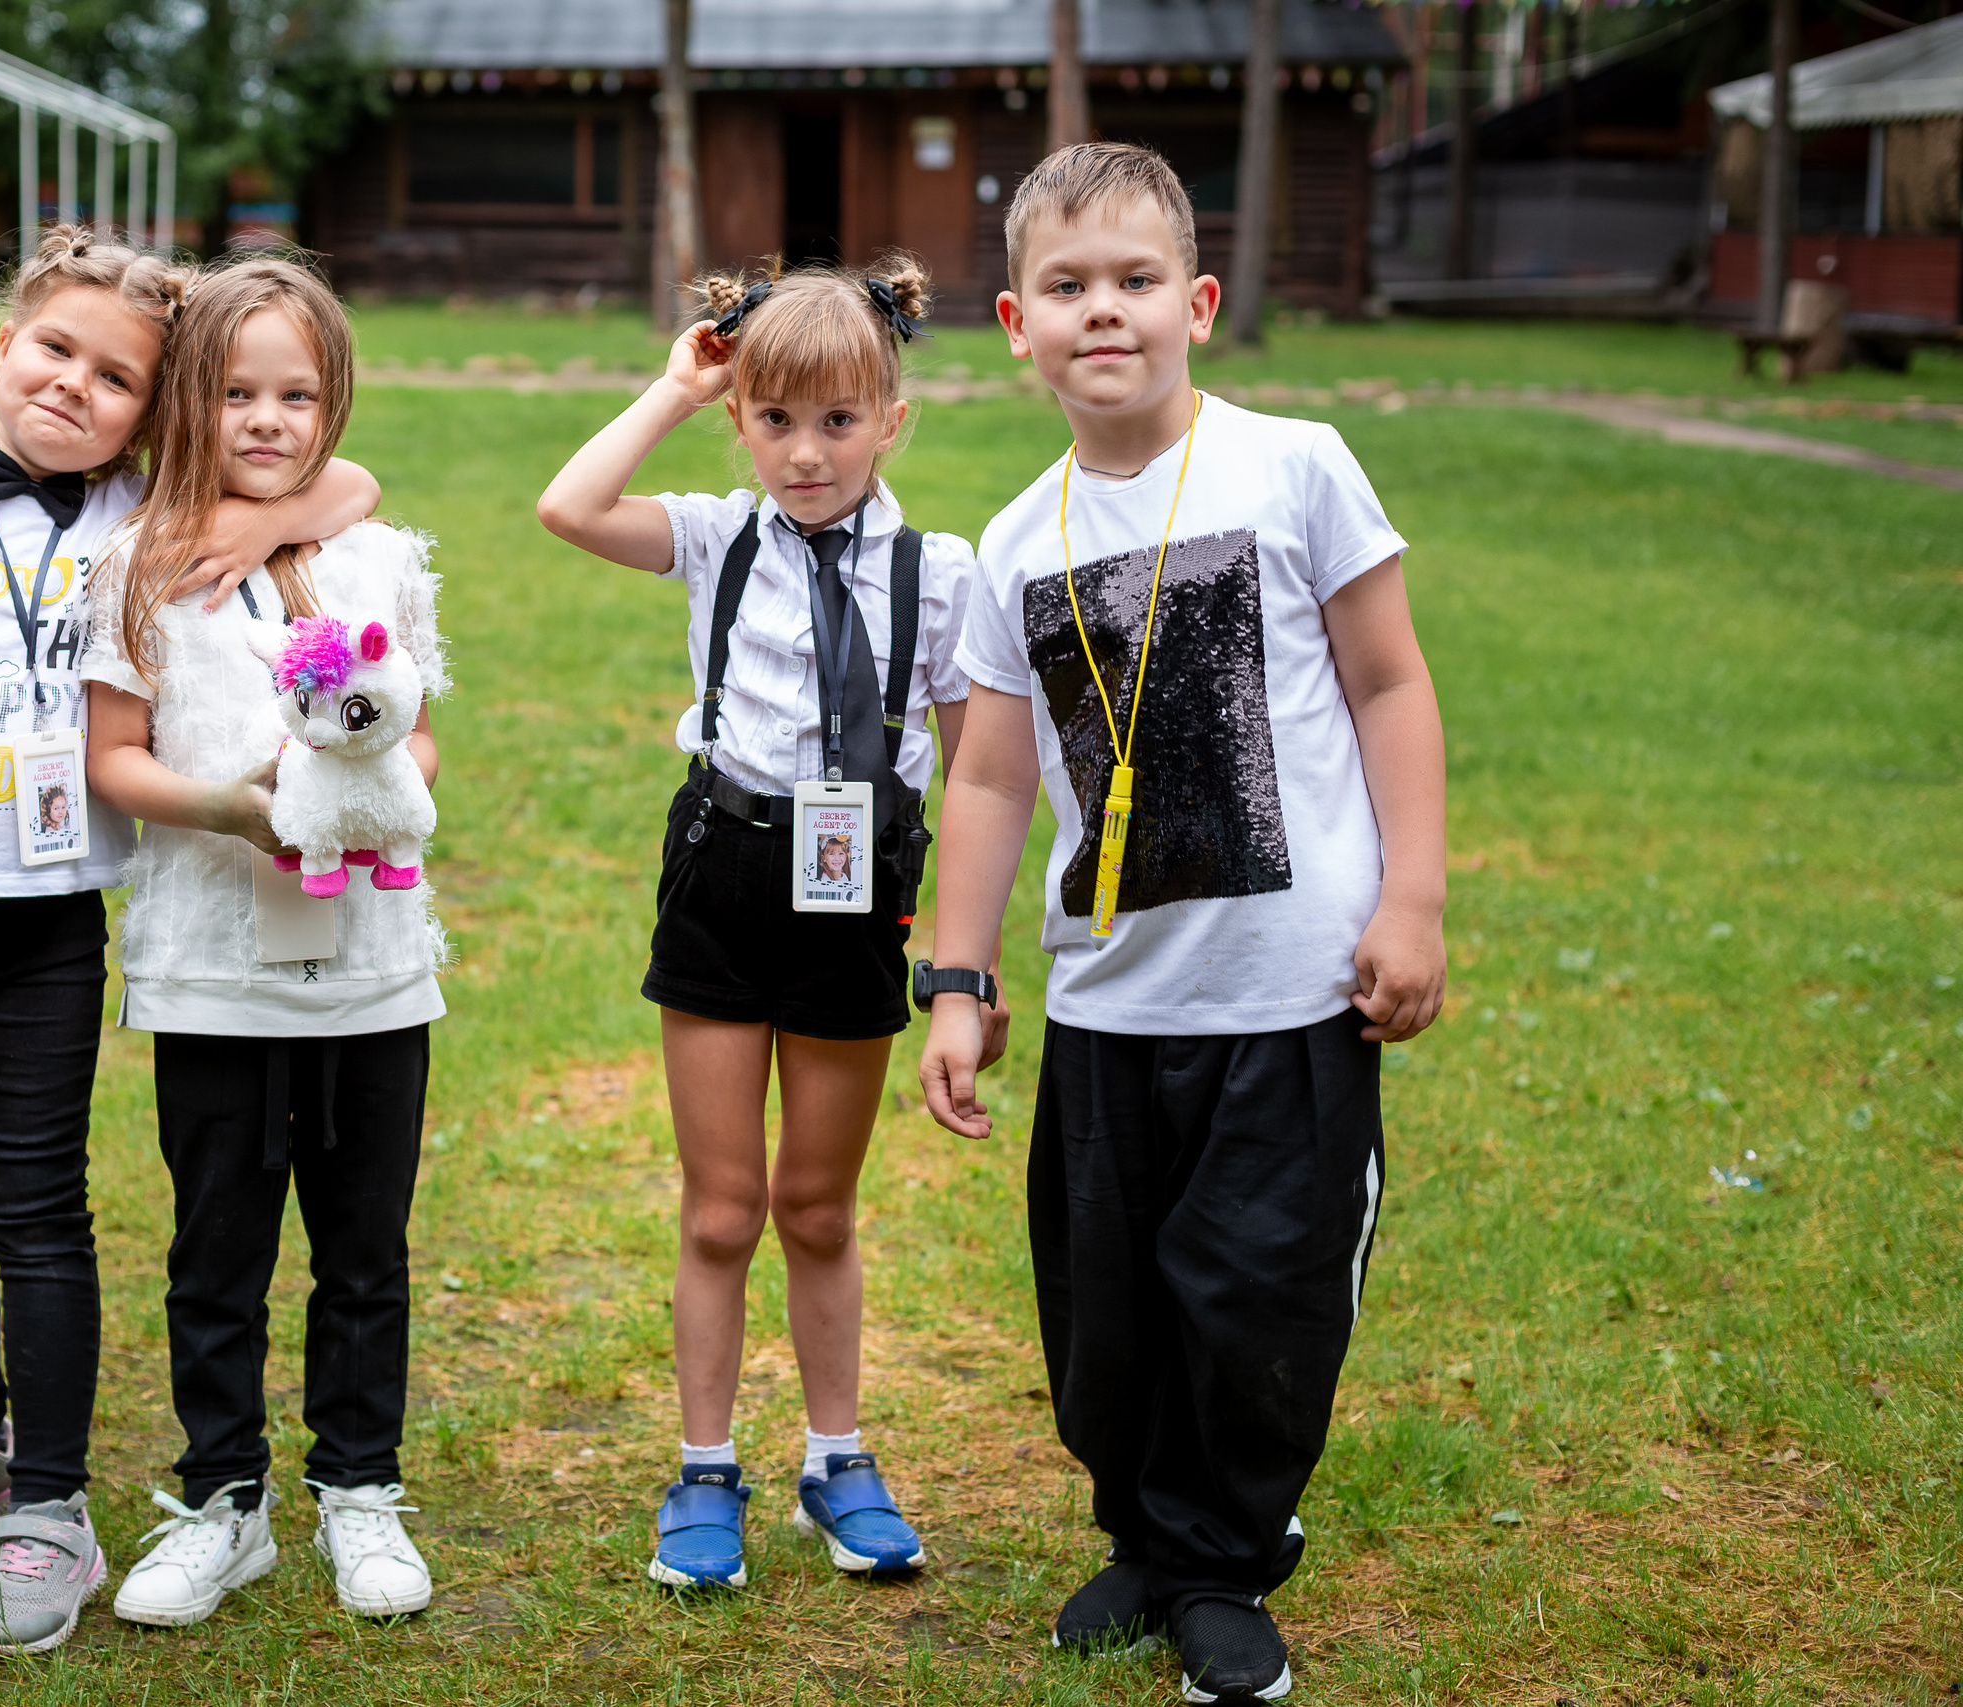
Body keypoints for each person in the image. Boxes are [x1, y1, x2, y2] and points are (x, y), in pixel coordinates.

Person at [0, 224, 378, 1657]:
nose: (73, 388)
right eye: (54, 351)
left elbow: (344, 476)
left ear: (148, 416)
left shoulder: (141, 519)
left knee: (34, 1206)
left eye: (115, 379)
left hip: (39, 928)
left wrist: (262, 522)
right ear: (0, 348)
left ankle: (51, 1509)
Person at [915, 143, 1448, 1704]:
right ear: (1016, 323)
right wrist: (960, 978)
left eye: (1136, 282)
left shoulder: (1297, 467)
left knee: (1258, 1292)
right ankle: (1139, 1536)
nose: (1105, 312)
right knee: (1108, 1311)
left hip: (1287, 999)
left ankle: (1222, 1559)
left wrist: (1412, 895)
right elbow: (996, 782)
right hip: (1109, 1007)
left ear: (1197, 303)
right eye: (1068, 287)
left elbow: (1392, 683)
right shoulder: (1014, 543)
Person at [537, 255, 1007, 1591]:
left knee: (816, 1203)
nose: (806, 453)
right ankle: (703, 1467)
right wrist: (677, 390)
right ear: (742, 420)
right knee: (722, 1206)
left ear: (892, 420)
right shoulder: (709, 533)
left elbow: (975, 779)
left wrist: (960, 966)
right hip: (726, 877)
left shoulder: (940, 568)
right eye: (776, 420)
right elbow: (568, 506)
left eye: (839, 421)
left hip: (858, 892)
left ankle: (835, 1454)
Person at [83, 253, 449, 1628]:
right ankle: (219, 1503)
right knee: (216, 1250)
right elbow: (113, 757)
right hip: (212, 972)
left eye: (298, 392)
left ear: (335, 400)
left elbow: (417, 734)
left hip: (371, 973)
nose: (268, 419)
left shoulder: (376, 555)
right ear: (192, 397)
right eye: (237, 391)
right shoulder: (138, 562)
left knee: (367, 1248)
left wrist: (389, 791)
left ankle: (359, 1489)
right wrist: (234, 814)